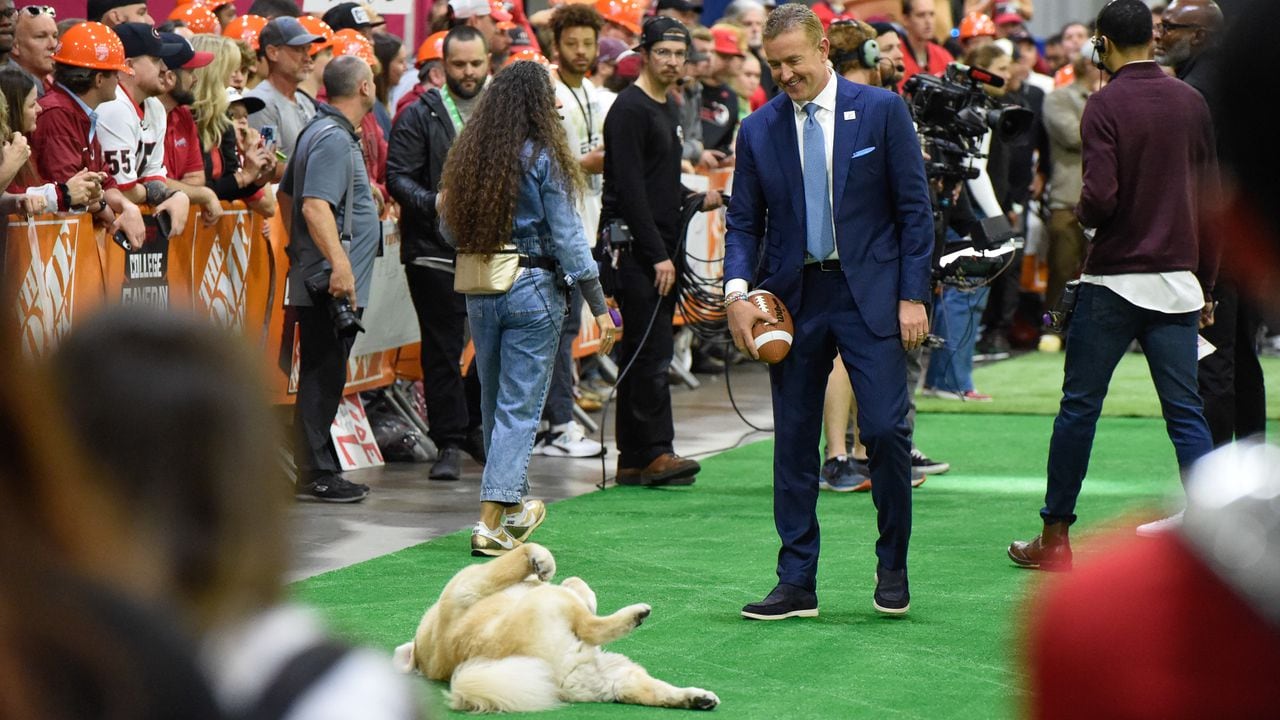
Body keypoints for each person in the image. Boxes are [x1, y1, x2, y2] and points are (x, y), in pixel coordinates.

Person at [724, 3, 932, 619]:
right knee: (792, 441)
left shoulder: (883, 112)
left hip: (872, 296)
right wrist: (738, 292)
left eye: (794, 61)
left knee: (888, 432)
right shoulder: (758, 130)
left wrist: (914, 296)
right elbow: (742, 222)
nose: (785, 74)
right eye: (774, 65)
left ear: (822, 49)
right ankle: (796, 582)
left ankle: (892, 564)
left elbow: (915, 213)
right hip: (792, 302)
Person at [1008, 0, 1219, 569]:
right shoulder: (1192, 102)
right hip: (1178, 283)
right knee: (1186, 412)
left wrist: (1084, 214)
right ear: (1151, 39)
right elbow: (1211, 196)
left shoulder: (1104, 104)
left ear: (1101, 43)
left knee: (1079, 408)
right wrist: (1210, 286)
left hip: (1114, 281)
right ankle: (1215, 539)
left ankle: (1055, 538)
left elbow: (1100, 197)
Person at [440, 60, 617, 556]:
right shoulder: (545, 156)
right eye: (552, 96)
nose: (559, 104)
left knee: (495, 405)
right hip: (535, 289)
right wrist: (600, 307)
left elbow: (450, 232)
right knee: (518, 411)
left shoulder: (472, 156)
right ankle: (490, 523)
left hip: (482, 289)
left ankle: (512, 507)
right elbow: (569, 241)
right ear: (540, 104)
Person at [601, 16, 722, 487]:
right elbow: (629, 190)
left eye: (679, 53)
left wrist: (696, 198)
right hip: (635, 249)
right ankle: (654, 451)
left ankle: (635, 456)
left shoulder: (667, 106)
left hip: (656, 242)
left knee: (649, 350)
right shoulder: (629, 110)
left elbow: (657, 183)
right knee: (649, 352)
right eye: (664, 53)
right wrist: (657, 255)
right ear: (644, 53)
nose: (673, 61)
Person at [1157, 0, 1265, 448]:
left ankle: (1214, 484)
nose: (1159, 34)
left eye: (1170, 27)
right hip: (1238, 240)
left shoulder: (1199, 90)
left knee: (1214, 364)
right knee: (1240, 359)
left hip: (1214, 245)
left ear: (1199, 35)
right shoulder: (1218, 81)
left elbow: (1197, 177)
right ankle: (1252, 468)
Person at [387, 25, 490, 482]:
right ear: (441, 66)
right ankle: (448, 441)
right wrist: (434, 202)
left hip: (493, 246)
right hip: (433, 249)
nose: (468, 73)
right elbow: (397, 175)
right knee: (443, 348)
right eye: (459, 64)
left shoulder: (500, 112)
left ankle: (470, 424)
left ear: (489, 63)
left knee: (495, 344)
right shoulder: (419, 113)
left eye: (475, 64)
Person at [277, 55, 382, 503]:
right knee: (323, 374)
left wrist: (300, 252)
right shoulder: (333, 138)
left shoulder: (320, 131)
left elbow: (285, 195)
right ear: (362, 87)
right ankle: (316, 472)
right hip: (330, 282)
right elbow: (313, 205)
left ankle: (318, 467)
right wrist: (336, 265)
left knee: (325, 372)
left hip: (320, 275)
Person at [534, 2, 608, 459]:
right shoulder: (548, 94)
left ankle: (552, 422)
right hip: (558, 232)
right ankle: (557, 425)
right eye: (572, 43)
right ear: (555, 46)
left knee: (565, 333)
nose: (581, 51)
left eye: (588, 43)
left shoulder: (599, 96)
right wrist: (586, 163)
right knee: (557, 332)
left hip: (590, 223)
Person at [32, 21, 147, 248]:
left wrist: (126, 206)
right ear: (98, 79)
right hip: (48, 247)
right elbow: (70, 189)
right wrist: (105, 208)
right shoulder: (58, 114)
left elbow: (105, 179)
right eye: (116, 73)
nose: (120, 80)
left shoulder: (81, 113)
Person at [1038, 53, 1099, 353]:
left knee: (1102, 273)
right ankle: (1052, 328)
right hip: (1068, 198)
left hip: (1105, 199)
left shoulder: (1110, 95)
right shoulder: (1058, 98)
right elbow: (1074, 135)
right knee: (1061, 268)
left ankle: (1098, 333)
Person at [0, 66, 101, 213]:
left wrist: (74, 193)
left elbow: (16, 197)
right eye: (32, 104)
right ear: (13, 109)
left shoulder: (23, 145)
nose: (40, 109)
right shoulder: (11, 151)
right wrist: (64, 193)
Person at [247, 16, 323, 167]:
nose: (308, 58)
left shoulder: (305, 101)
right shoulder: (260, 103)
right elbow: (268, 164)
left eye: (307, 50)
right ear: (272, 52)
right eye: (298, 50)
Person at [10, 4, 57, 98]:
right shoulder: (12, 94)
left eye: (55, 36)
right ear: (15, 46)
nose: (53, 45)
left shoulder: (52, 84)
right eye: (41, 36)